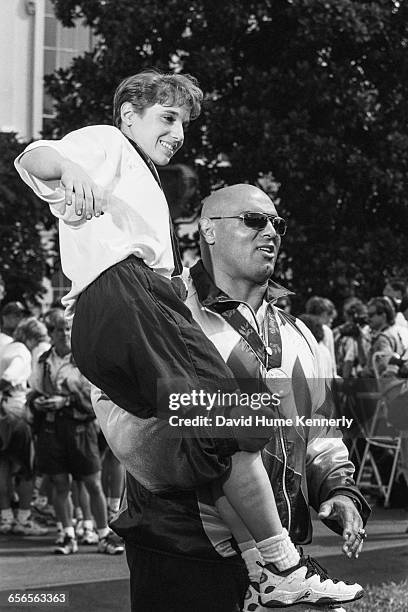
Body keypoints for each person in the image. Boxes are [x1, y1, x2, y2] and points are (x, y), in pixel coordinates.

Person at [13, 69, 343, 605]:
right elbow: (32, 157)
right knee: (237, 416)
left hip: (113, 316)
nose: (179, 133)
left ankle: (265, 564)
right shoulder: (107, 143)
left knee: (209, 439)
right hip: (128, 296)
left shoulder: (137, 176)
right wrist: (69, 167)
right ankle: (279, 564)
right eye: (167, 118)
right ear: (128, 116)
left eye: (184, 123)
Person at [93, 184, 370, 612]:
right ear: (207, 230)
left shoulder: (299, 333)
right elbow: (117, 410)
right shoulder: (163, 312)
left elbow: (321, 429)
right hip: (183, 552)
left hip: (286, 562)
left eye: (277, 223)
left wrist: (338, 489)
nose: (271, 233)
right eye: (254, 221)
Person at [27, 310, 123, 555]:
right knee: (61, 483)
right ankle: (67, 535)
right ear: (52, 333)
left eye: (68, 329)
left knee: (92, 482)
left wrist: (66, 401)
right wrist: (38, 401)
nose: (65, 334)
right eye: (59, 330)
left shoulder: (84, 359)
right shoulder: (42, 360)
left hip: (81, 428)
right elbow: (34, 389)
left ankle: (104, 535)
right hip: (52, 429)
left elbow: (94, 397)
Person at [0, 317, 49, 536]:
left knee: (3, 467)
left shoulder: (6, 346)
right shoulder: (22, 352)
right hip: (15, 414)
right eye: (38, 339)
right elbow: (9, 377)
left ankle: (6, 517)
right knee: (26, 468)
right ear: (30, 337)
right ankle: (24, 519)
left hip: (2, 415)